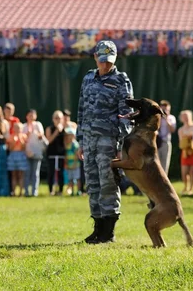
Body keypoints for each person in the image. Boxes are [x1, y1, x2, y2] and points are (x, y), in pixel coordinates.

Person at [77, 40, 134, 244]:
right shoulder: (88, 79)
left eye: (109, 61)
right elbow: (81, 110)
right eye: (102, 61)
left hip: (109, 141)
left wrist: (121, 146)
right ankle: (97, 228)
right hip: (90, 140)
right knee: (92, 184)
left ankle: (108, 232)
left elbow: (126, 115)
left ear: (115, 59)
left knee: (108, 183)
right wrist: (80, 140)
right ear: (95, 58)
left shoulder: (121, 80)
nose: (105, 65)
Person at [22, 109, 46, 197]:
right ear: (26, 116)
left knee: (35, 173)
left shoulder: (38, 124)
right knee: (27, 173)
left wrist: (37, 133)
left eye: (33, 115)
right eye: (29, 115)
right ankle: (26, 192)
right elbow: (22, 140)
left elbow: (41, 135)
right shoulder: (24, 126)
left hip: (37, 153)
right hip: (27, 153)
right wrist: (27, 134)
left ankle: (34, 192)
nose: (31, 117)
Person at [178, 110, 193, 196]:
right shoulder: (181, 129)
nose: (186, 118)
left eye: (187, 116)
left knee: (192, 171)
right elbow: (181, 142)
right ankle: (185, 186)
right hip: (185, 152)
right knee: (184, 172)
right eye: (184, 116)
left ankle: (191, 188)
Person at [46, 110, 66, 196]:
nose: (58, 119)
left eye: (59, 118)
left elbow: (66, 142)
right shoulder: (49, 128)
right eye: (56, 118)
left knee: (61, 173)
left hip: (61, 154)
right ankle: (51, 191)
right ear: (53, 119)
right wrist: (57, 131)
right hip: (51, 154)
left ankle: (60, 191)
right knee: (51, 173)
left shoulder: (65, 129)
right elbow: (49, 140)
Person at [6, 123, 28, 197]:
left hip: (21, 155)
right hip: (13, 155)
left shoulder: (24, 137)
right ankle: (13, 192)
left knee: (21, 175)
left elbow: (25, 148)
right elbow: (10, 149)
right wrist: (13, 142)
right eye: (16, 128)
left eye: (19, 128)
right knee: (14, 175)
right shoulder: (10, 137)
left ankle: (21, 192)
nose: (17, 129)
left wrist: (21, 142)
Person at [156, 100, 176, 176]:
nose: (164, 111)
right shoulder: (157, 117)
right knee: (156, 163)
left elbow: (172, 130)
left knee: (165, 164)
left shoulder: (171, 118)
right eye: (163, 109)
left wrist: (166, 119)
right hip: (156, 142)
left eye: (166, 109)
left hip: (165, 143)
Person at [64, 127, 82, 196]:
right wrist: (66, 163)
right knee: (70, 179)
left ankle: (78, 191)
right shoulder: (67, 145)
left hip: (75, 165)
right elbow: (66, 155)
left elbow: (76, 155)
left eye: (69, 135)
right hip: (69, 165)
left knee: (77, 178)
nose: (68, 137)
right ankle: (72, 192)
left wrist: (74, 164)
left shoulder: (75, 144)